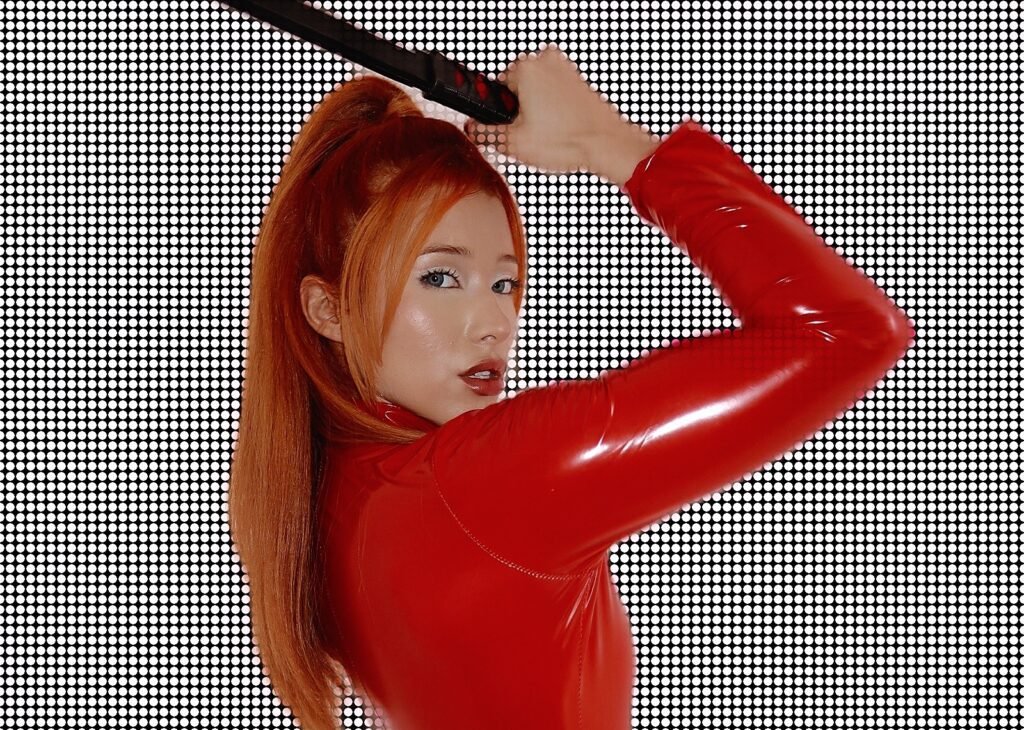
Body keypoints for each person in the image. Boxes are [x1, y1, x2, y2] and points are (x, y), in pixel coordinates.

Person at [228, 44, 915, 730]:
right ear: (327, 310)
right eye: (440, 277)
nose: (495, 322)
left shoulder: (312, 494)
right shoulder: (489, 480)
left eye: (505, 282)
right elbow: (848, 333)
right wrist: (607, 141)